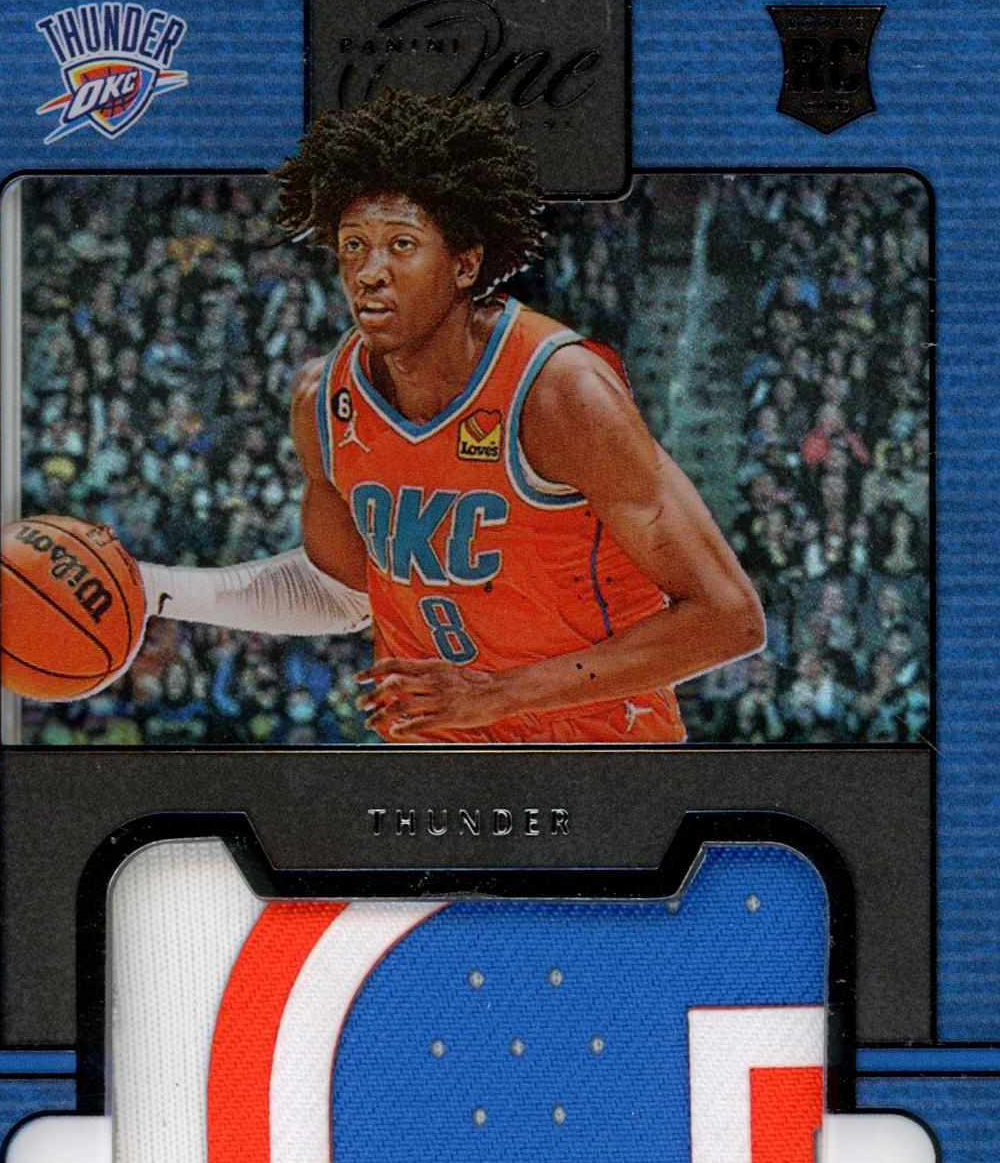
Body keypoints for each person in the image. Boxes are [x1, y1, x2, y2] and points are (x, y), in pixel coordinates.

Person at [137, 89, 764, 743]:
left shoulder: (560, 391)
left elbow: (729, 618)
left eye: (401, 244)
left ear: (464, 265)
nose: (369, 272)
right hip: (435, 757)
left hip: (593, 754)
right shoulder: (323, 398)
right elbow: (341, 593)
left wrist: (496, 695)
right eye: (353, 246)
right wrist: (154, 588)